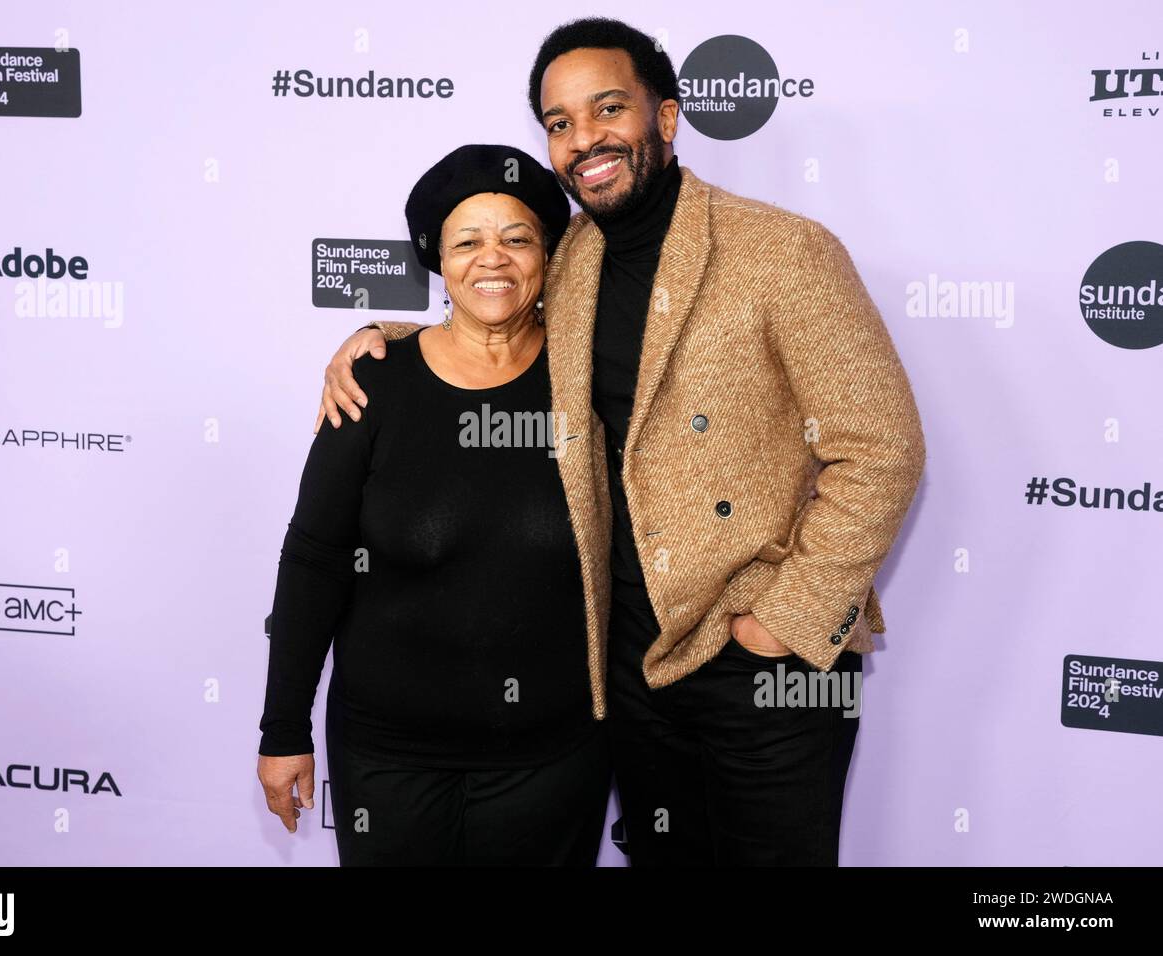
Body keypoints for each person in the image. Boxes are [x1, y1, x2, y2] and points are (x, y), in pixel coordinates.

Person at [315, 18, 927, 866]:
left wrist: (783, 622)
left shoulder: (785, 251)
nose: (584, 140)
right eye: (560, 123)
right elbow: (490, 309)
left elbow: (883, 446)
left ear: (666, 118)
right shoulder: (569, 261)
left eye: (609, 109)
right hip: (631, 671)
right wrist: (379, 339)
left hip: (769, 671)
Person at [256, 144, 612, 866]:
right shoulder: (373, 386)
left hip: (550, 758)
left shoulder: (593, 384)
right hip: (389, 758)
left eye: (517, 239)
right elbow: (314, 560)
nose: (494, 260)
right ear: (437, 262)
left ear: (548, 257)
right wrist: (282, 728)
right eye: (467, 241)